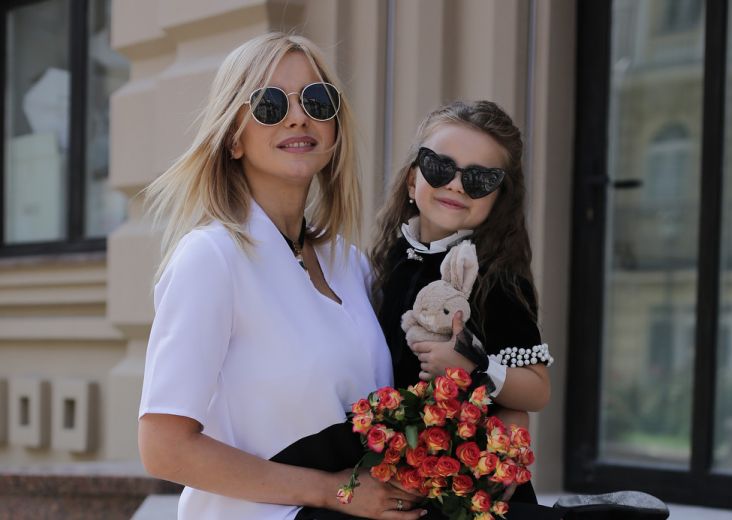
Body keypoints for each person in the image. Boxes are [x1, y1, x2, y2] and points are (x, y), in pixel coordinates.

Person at [137, 32, 425, 520]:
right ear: (233, 137)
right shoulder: (211, 258)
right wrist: (334, 492)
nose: (298, 117)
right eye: (269, 104)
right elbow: (164, 447)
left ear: (334, 129)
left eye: (317, 101)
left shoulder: (348, 263)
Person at [370, 100, 553, 508]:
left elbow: (537, 390)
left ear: (499, 199)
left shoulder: (496, 279)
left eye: (478, 179)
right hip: (401, 480)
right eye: (439, 167)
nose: (455, 185)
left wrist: (471, 366)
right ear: (412, 179)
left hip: (469, 493)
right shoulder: (390, 259)